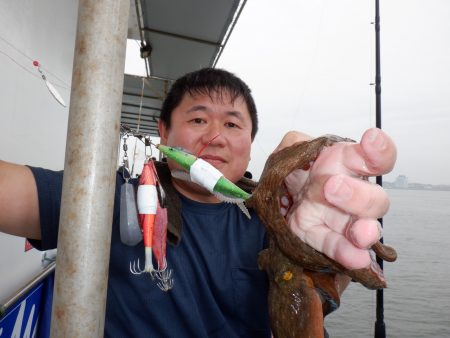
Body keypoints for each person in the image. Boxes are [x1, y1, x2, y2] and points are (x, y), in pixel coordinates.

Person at [0, 68, 396, 337]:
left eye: (232, 124)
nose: (215, 137)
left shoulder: (279, 216)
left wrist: (334, 207)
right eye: (197, 120)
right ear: (164, 133)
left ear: (252, 141)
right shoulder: (109, 195)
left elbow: (326, 292)